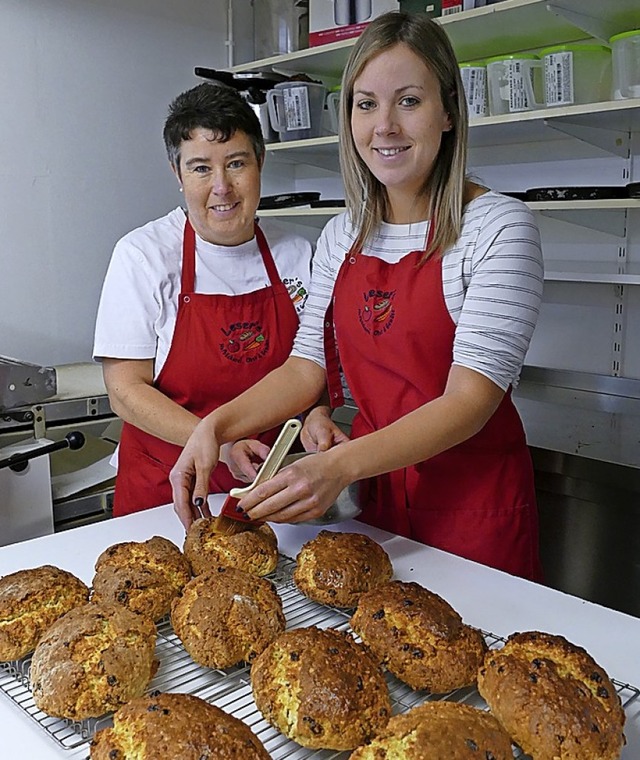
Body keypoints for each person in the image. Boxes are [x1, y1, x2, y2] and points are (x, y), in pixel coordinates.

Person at [170, 11, 544, 581]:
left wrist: (336, 467)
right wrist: (214, 428)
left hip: (472, 513)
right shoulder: (344, 234)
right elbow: (306, 367)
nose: (384, 126)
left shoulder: (497, 228)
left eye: (409, 101)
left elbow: (469, 402)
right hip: (376, 510)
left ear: (447, 110)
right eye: (366, 103)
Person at [93, 82, 313, 516]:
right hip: (164, 489)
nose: (222, 187)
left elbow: (313, 369)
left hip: (271, 488)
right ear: (177, 174)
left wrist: (319, 415)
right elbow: (124, 390)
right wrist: (219, 441)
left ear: (260, 163)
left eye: (236, 163)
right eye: (200, 169)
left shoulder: (298, 253)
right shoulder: (144, 255)